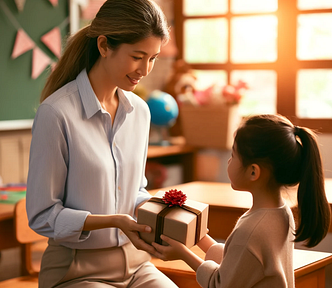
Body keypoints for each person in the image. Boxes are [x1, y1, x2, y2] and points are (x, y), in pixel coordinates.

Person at [26, 0, 178, 287]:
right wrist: (112, 220)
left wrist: (166, 209)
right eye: (137, 56)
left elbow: (135, 190)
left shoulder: (140, 111)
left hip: (137, 264)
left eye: (153, 58)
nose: (145, 70)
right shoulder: (57, 113)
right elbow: (43, 215)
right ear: (104, 46)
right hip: (76, 268)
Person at [152, 114, 331, 288]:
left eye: (234, 155)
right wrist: (198, 234)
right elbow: (240, 262)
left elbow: (220, 283)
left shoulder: (252, 229)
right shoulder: (280, 212)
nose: (229, 161)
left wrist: (183, 254)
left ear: (253, 172)